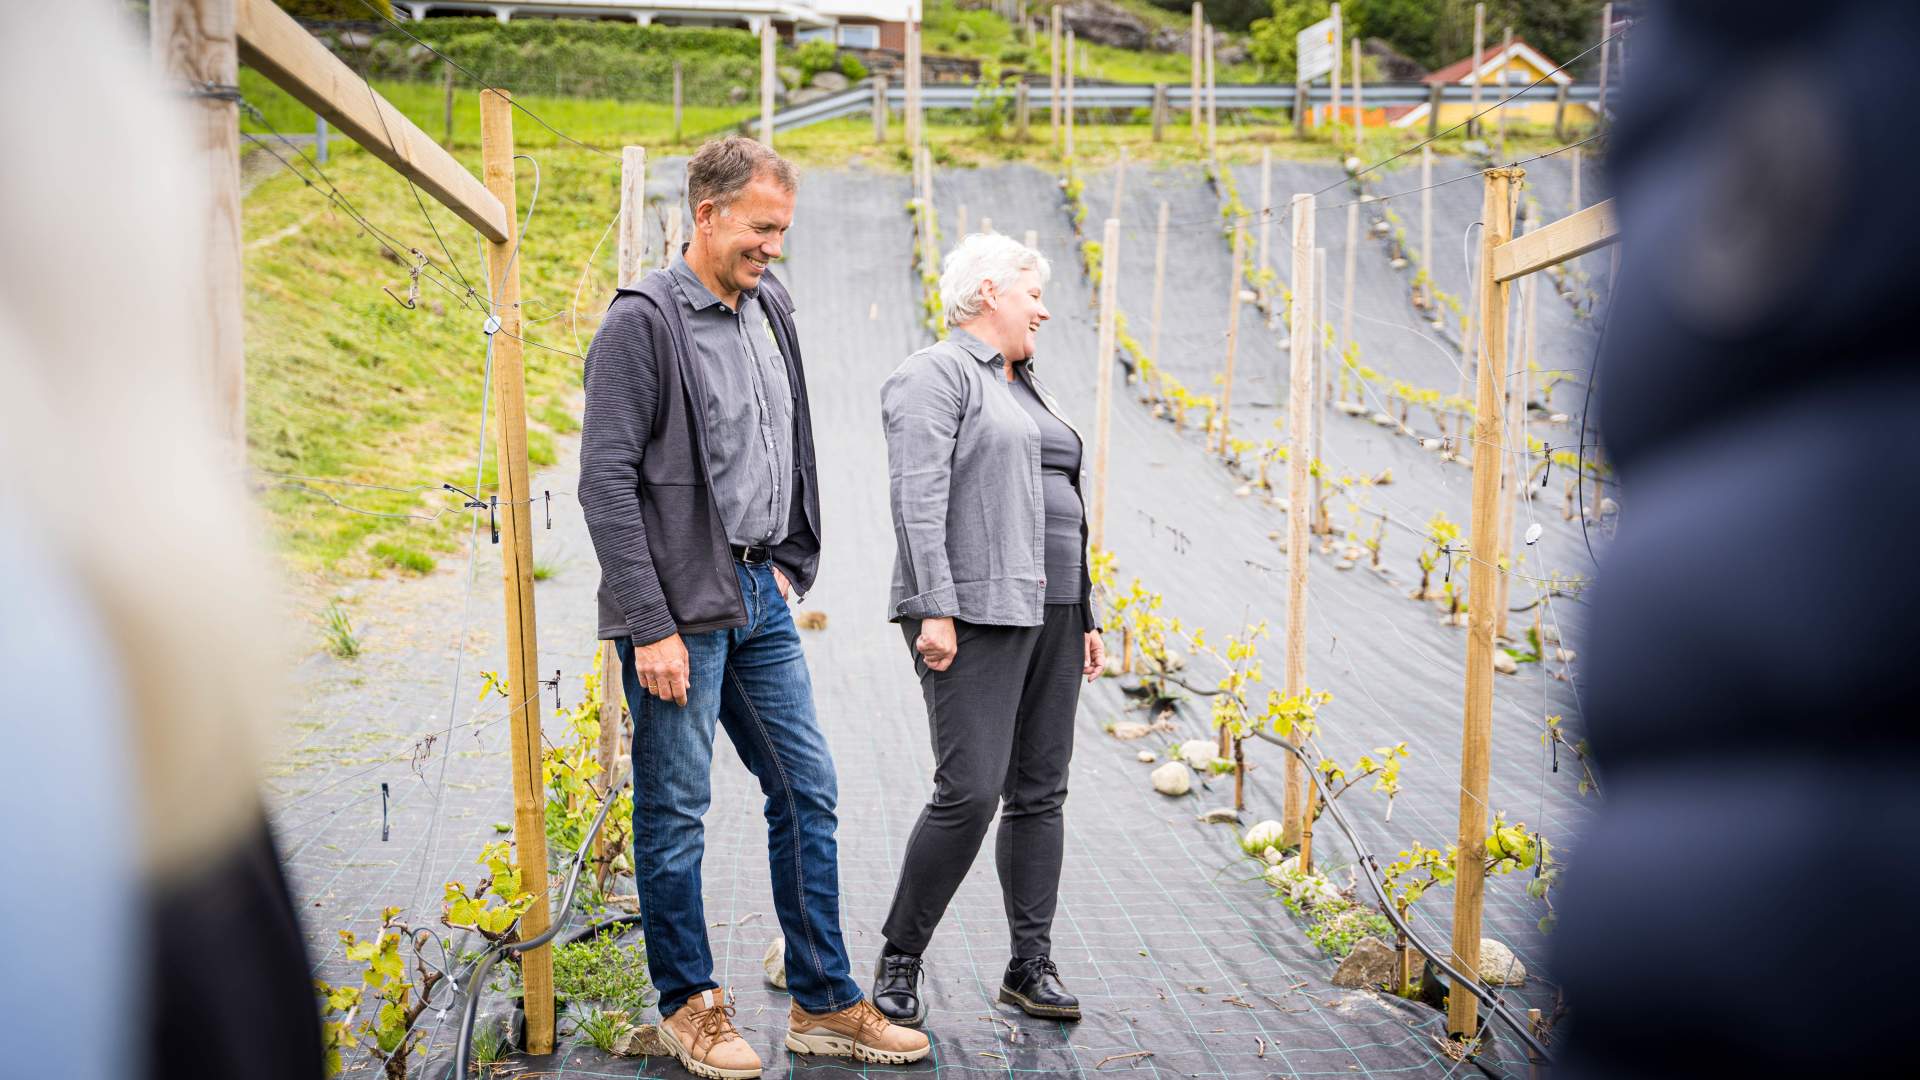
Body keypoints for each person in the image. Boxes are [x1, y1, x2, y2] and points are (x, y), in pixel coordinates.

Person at [578, 136, 928, 1078]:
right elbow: (606, 485)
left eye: (783, 229)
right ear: (706, 215)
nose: (775, 246)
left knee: (805, 787)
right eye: (761, 228)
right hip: (678, 609)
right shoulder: (642, 325)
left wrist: (782, 562)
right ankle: (689, 1003)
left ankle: (822, 1000)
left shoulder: (768, 305)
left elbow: (787, 440)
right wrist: (648, 623)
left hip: (758, 593)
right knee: (677, 805)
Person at [874, 233, 1106, 1026]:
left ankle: (1028, 965)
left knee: (1041, 793)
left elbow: (1065, 506)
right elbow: (917, 496)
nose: (1043, 307)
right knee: (970, 790)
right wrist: (933, 606)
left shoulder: (1029, 388)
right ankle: (901, 953)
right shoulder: (933, 375)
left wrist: (1087, 612)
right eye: (1030, 292)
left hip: (1056, 609)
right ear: (986, 294)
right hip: (973, 607)